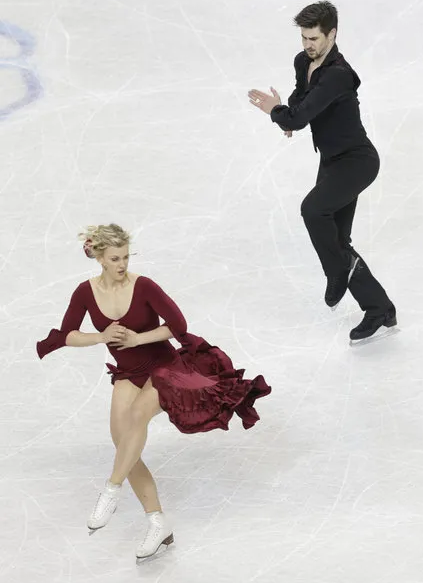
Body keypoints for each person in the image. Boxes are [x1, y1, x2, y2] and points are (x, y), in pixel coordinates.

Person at [36, 224, 271, 562]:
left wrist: (135, 338)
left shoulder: (143, 285)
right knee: (124, 446)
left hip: (164, 368)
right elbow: (67, 335)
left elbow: (178, 325)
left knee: (136, 417)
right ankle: (157, 523)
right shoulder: (85, 292)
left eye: (126, 257)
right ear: (100, 258)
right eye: (115, 258)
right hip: (128, 373)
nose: (122, 264)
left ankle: (110, 491)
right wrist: (101, 338)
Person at [248, 0, 396, 342]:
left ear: (332, 34)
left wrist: (279, 113)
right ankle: (378, 307)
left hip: (357, 161)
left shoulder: (340, 75)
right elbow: (302, 101)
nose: (307, 45)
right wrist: (288, 112)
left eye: (314, 38)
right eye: (303, 37)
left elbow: (298, 117)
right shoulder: (304, 61)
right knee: (338, 240)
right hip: (331, 160)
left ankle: (337, 270)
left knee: (313, 210)